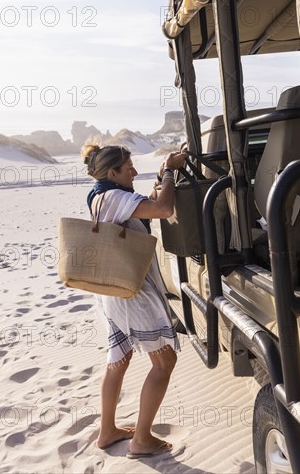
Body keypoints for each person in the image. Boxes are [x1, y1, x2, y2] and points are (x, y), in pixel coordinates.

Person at [82, 144, 187, 459]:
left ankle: (107, 431)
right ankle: (141, 440)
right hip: (132, 294)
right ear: (113, 173)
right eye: (129, 168)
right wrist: (169, 171)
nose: (134, 172)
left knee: (119, 360)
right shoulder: (113, 198)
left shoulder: (104, 196)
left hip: (114, 293)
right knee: (164, 361)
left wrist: (161, 175)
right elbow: (163, 209)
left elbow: (147, 203)